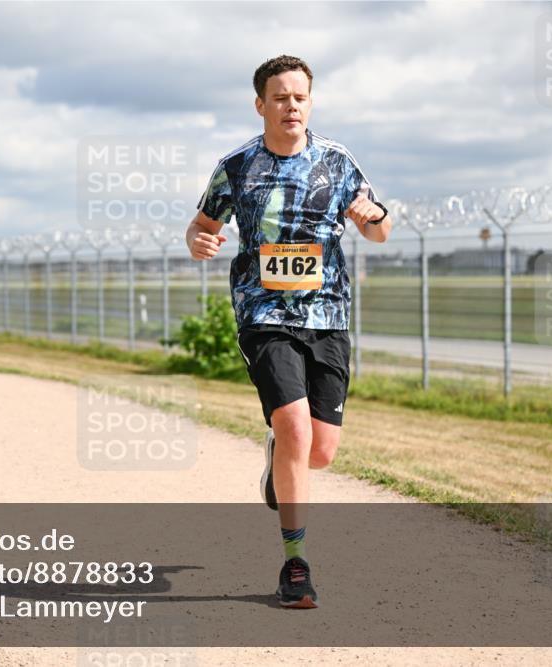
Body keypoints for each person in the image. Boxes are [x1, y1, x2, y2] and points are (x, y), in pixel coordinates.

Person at [186, 55, 391, 609]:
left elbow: (380, 229)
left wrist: (372, 216)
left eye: (299, 96)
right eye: (280, 97)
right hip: (263, 315)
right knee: (297, 428)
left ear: (310, 103)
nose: (291, 105)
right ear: (261, 105)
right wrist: (199, 242)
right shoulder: (237, 166)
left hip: (328, 318)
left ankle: (281, 456)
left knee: (319, 451)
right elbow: (203, 224)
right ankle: (295, 564)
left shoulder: (337, 162)